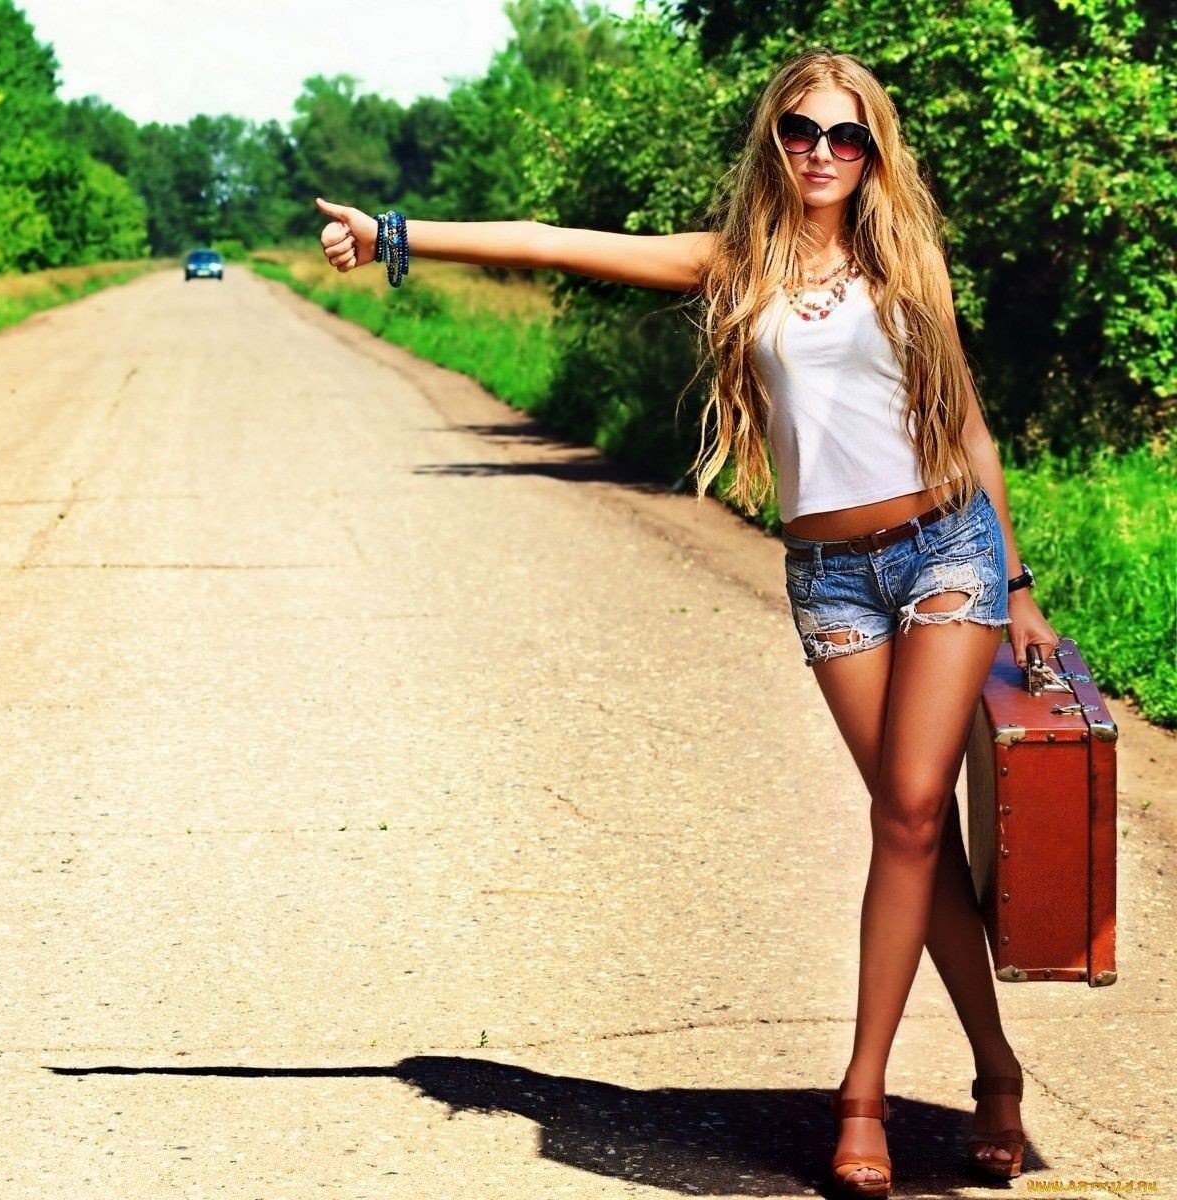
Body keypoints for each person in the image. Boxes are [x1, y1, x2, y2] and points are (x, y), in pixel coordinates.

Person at [315, 47, 1059, 1200]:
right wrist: (395, 236)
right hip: (832, 576)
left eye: (846, 135)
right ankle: (997, 1074)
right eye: (802, 131)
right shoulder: (734, 265)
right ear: (775, 142)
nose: (822, 152)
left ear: (874, 152)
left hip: (946, 551)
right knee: (914, 830)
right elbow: (554, 242)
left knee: (911, 812)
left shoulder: (908, 262)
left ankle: (861, 1095)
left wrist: (1017, 588)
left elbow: (966, 425)